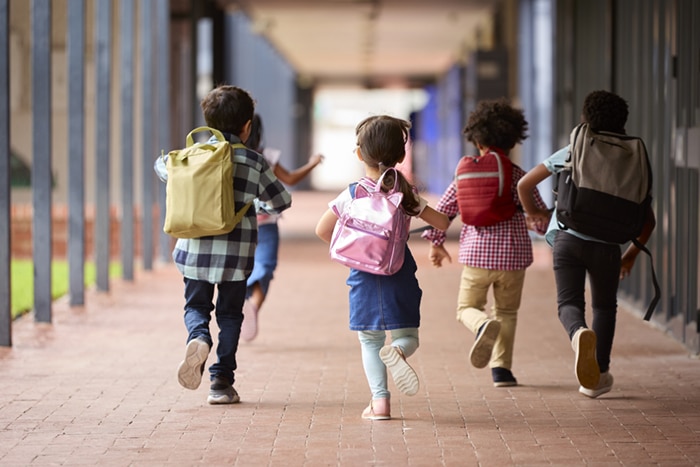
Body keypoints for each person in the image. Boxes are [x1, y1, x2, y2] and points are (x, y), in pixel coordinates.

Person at [154, 85, 292, 404]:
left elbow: (163, 169)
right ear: (247, 126)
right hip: (236, 255)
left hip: (194, 253)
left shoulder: (190, 156)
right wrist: (259, 206)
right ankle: (221, 382)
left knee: (196, 307)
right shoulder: (254, 162)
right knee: (230, 316)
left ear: (208, 122)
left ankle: (199, 336)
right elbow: (282, 201)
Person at [517, 90, 656, 398]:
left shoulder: (575, 149)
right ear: (623, 122)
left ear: (586, 119)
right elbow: (649, 223)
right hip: (608, 247)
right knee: (605, 307)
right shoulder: (634, 159)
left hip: (568, 239)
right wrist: (630, 256)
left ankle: (578, 333)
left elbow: (524, 184)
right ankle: (597, 377)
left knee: (569, 304)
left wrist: (535, 214)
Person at [315, 115, 449, 421]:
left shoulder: (352, 194)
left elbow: (322, 231)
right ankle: (399, 351)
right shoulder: (406, 195)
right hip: (399, 273)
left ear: (359, 154)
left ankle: (380, 404)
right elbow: (442, 222)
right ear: (401, 156)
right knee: (409, 336)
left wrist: (356, 248)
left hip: (362, 277)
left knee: (370, 341)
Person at [421, 98, 548, 388]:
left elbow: (445, 210)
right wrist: (536, 221)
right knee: (506, 313)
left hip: (476, 257)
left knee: (466, 308)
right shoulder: (518, 176)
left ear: (477, 140)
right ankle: (502, 371)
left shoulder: (464, 173)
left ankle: (480, 325)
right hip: (513, 260)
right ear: (513, 140)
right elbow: (539, 221)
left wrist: (436, 243)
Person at [240, 114, 324, 342]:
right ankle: (250, 306)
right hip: (253, 226)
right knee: (255, 270)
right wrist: (314, 162)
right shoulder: (250, 157)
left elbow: (290, 178)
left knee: (257, 269)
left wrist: (313, 163)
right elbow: (291, 179)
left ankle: (251, 308)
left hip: (253, 226)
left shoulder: (257, 157)